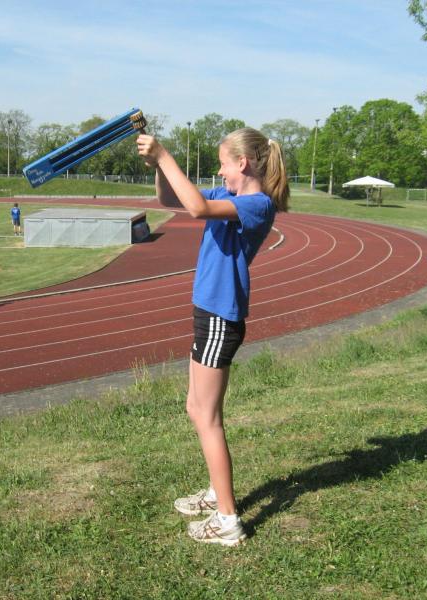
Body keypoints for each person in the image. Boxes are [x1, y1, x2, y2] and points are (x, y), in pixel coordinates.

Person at [136, 127, 289, 546]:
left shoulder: (257, 203)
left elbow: (198, 209)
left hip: (222, 316)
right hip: (209, 312)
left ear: (243, 163)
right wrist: (157, 167)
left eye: (223, 164)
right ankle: (216, 493)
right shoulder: (230, 195)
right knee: (196, 408)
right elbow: (172, 200)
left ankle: (228, 520)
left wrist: (165, 155)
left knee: (208, 418)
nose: (220, 172)